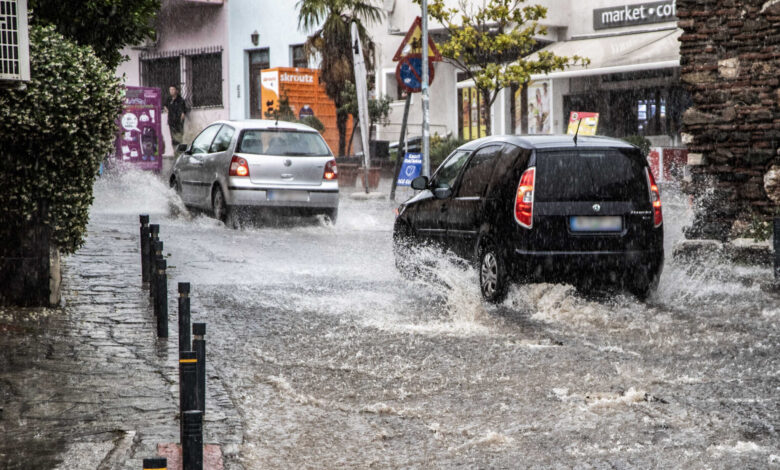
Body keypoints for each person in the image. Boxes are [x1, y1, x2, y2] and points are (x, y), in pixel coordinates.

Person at [163, 85, 188, 153]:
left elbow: (184, 111)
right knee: (173, 138)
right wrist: (167, 110)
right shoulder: (169, 99)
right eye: (170, 90)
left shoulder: (180, 100)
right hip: (171, 121)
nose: (171, 91)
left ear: (176, 91)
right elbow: (164, 105)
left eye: (173, 89)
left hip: (178, 122)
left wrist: (182, 115)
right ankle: (175, 152)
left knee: (179, 137)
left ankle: (179, 152)